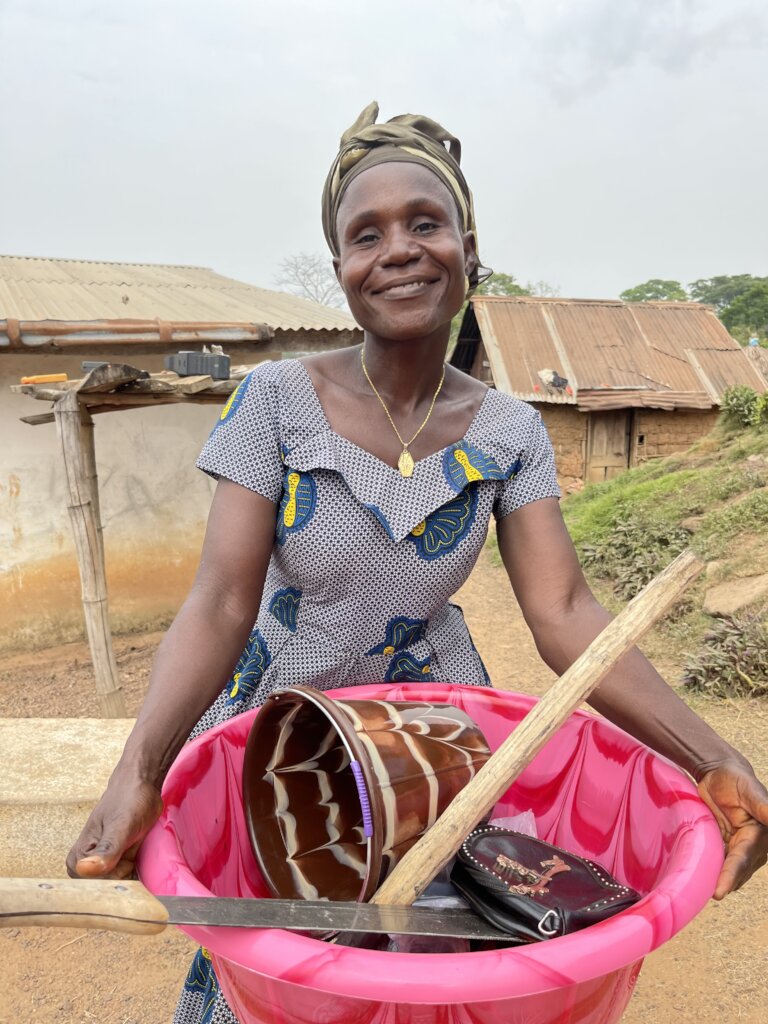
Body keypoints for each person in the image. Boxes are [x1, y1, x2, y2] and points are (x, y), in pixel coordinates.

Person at [68, 103, 768, 1023]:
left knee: (431, 960)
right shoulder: (274, 401)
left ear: (469, 249)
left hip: (437, 753)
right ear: (341, 272)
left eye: (425, 224)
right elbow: (221, 601)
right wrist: (140, 770)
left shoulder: (511, 430)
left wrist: (714, 756)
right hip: (288, 740)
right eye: (368, 235)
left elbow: (564, 612)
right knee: (290, 973)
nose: (398, 249)